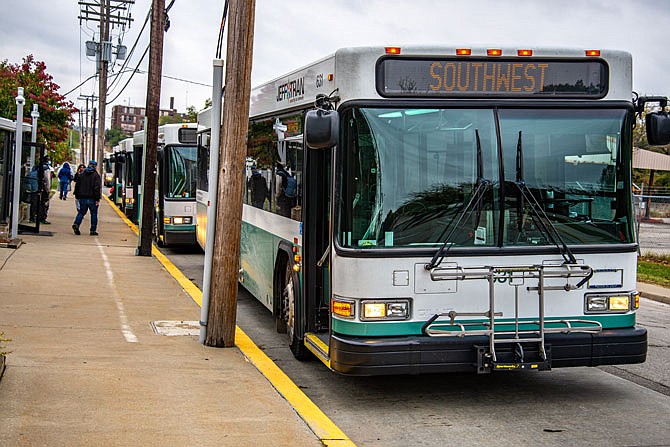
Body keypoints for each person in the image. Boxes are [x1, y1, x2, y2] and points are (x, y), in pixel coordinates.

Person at [72, 160, 101, 236]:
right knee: (94, 214)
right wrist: (97, 199)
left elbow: (77, 185)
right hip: (92, 198)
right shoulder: (96, 176)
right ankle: (93, 230)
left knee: (81, 212)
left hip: (82, 197)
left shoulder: (82, 174)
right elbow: (97, 188)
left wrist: (77, 196)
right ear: (95, 166)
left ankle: (76, 224)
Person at [38, 155, 52, 224]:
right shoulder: (46, 168)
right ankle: (42, 218)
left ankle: (36, 216)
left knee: (39, 203)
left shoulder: (38, 166)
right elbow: (47, 179)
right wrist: (48, 189)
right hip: (44, 189)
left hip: (38, 187)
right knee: (45, 204)